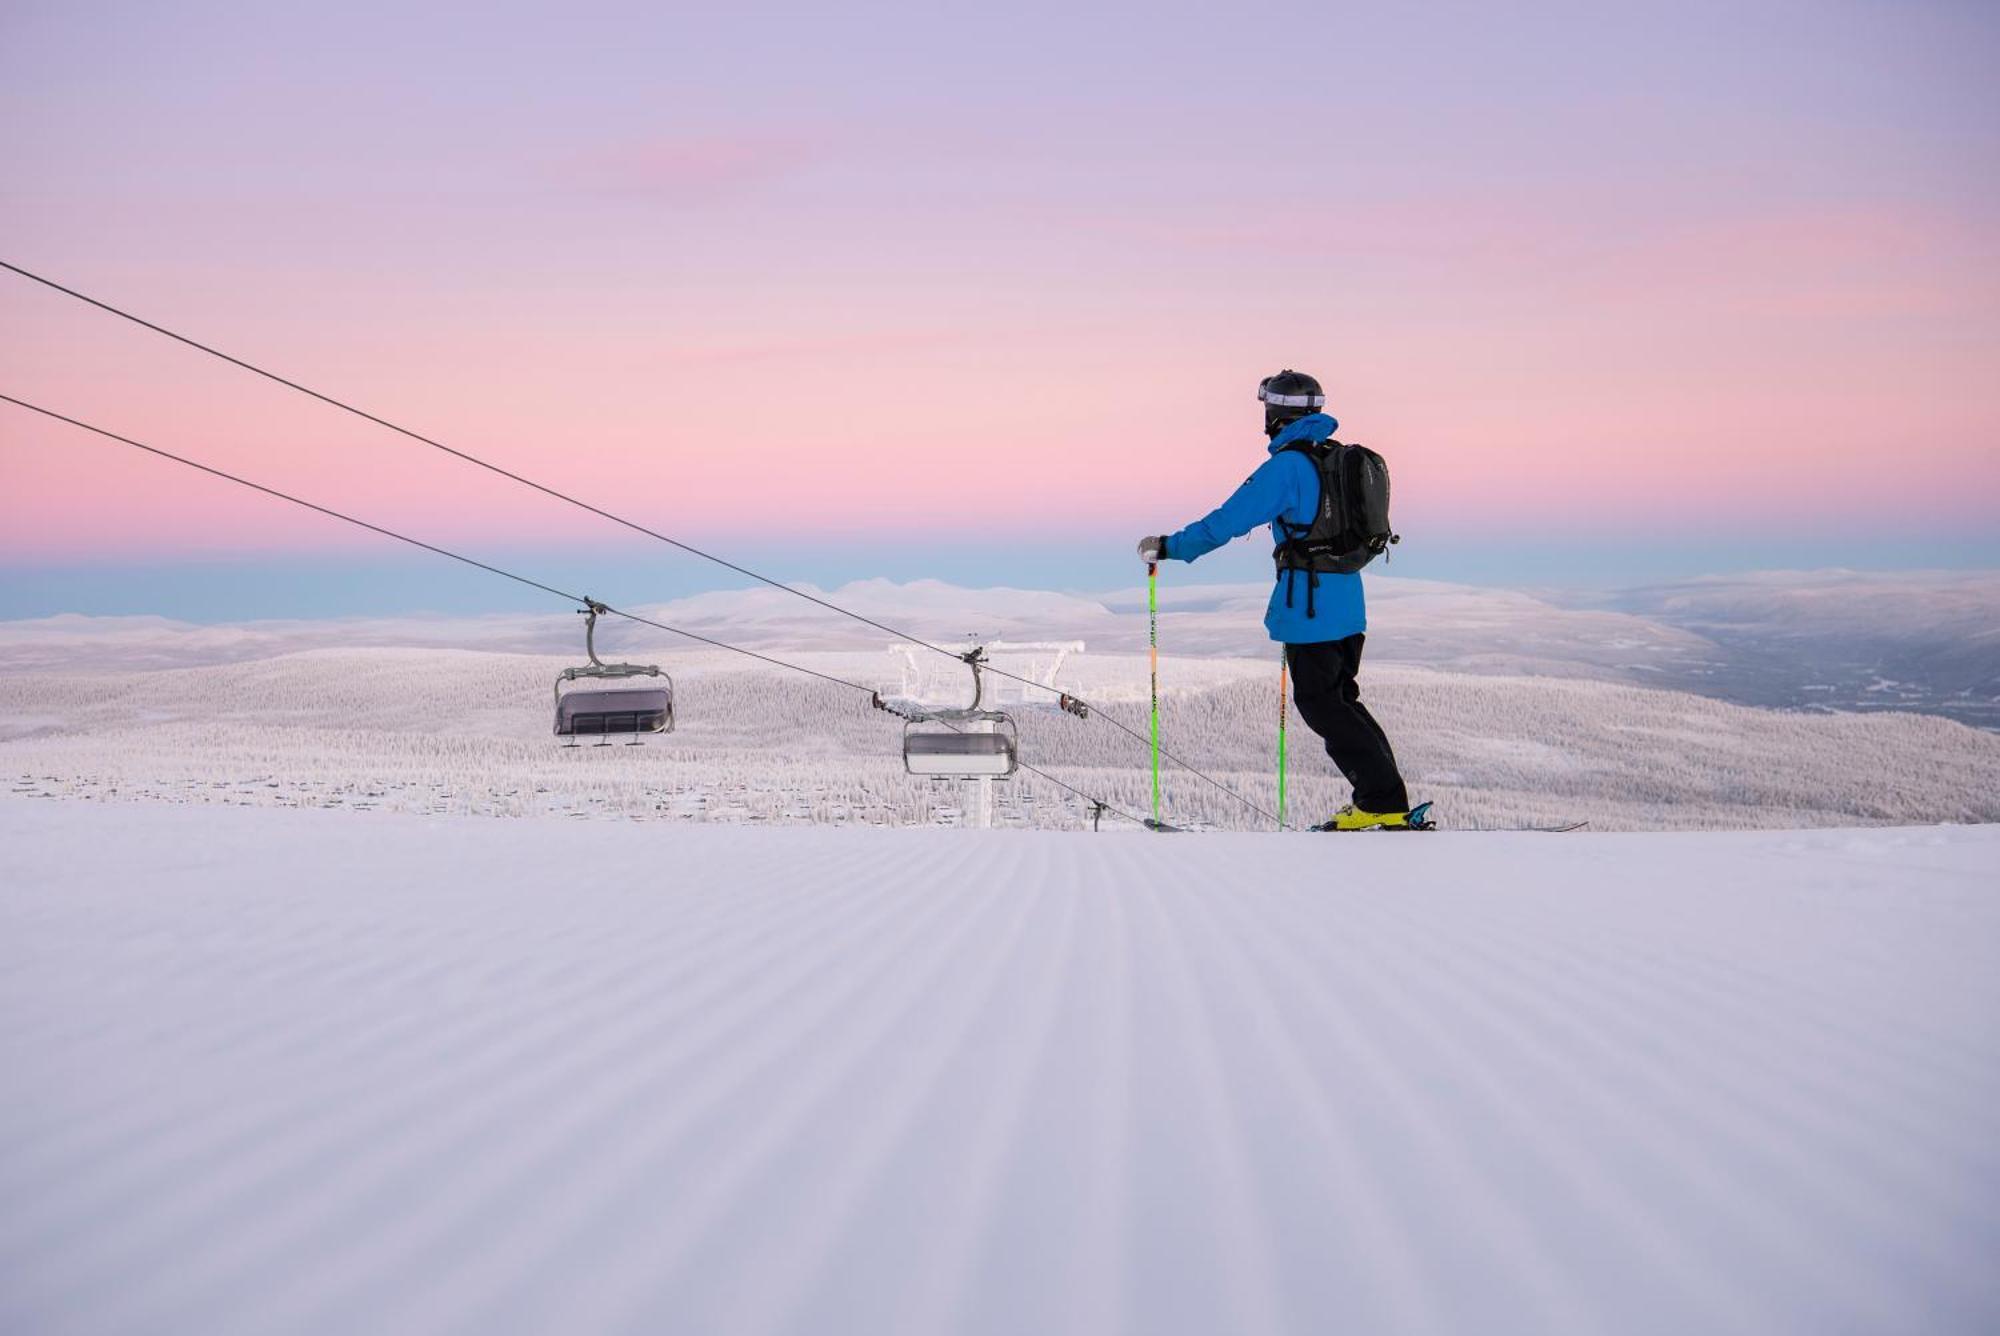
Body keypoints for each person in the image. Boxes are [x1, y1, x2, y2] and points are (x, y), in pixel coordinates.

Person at [1137, 369, 1417, 830]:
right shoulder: (1335, 457)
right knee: (1342, 700)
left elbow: (1225, 522)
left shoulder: (1288, 468)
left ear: (1275, 415)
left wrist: (1169, 547)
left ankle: (1381, 800)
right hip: (1348, 602)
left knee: (1323, 705)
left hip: (1312, 609)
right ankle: (1386, 799)